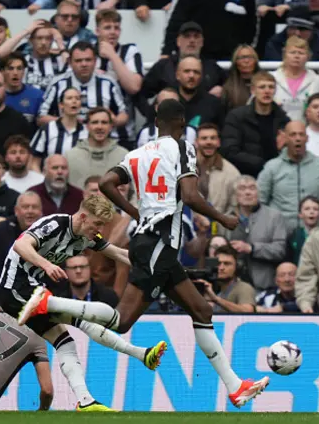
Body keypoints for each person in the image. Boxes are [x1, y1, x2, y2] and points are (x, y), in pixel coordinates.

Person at [95, 98, 269, 408]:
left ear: (155, 122)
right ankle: (53, 305)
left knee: (202, 311)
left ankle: (235, 386)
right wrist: (224, 218)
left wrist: (135, 212)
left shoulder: (137, 154)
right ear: (183, 122)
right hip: (160, 244)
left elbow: (106, 182)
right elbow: (190, 195)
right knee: (120, 322)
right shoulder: (182, 147)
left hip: (149, 243)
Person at [0, 194, 166, 412]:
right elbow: (21, 245)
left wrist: (152, 266)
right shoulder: (55, 224)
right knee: (86, 316)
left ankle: (86, 400)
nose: (100, 230)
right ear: (84, 217)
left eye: (103, 225)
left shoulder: (87, 236)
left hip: (33, 291)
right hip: (14, 288)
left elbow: (115, 252)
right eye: (97, 223)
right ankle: (53, 306)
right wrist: (46, 265)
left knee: (65, 342)